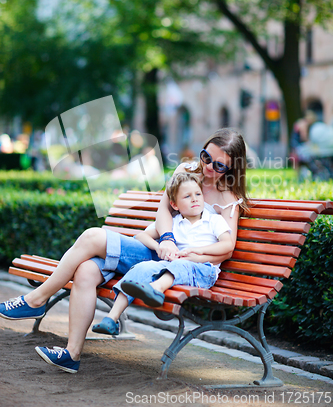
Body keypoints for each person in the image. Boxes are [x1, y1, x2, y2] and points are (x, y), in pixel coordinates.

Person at [0, 128, 248, 373]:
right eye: (206, 157)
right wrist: (168, 240)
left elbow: (226, 250)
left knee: (91, 236)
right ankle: (71, 354)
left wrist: (190, 254)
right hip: (157, 249)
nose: (208, 168)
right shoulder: (185, 171)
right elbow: (164, 210)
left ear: (232, 168)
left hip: (176, 266)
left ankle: (36, 300)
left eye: (219, 166)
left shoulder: (228, 198)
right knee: (86, 270)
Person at [90, 172, 234, 336]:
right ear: (174, 204)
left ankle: (155, 289)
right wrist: (158, 248)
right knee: (143, 267)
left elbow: (227, 244)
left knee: (180, 264)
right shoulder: (173, 222)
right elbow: (141, 236)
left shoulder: (214, 220)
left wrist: (199, 251)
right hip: (175, 266)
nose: (194, 199)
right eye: (187, 196)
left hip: (204, 269)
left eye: (198, 194)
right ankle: (111, 318)